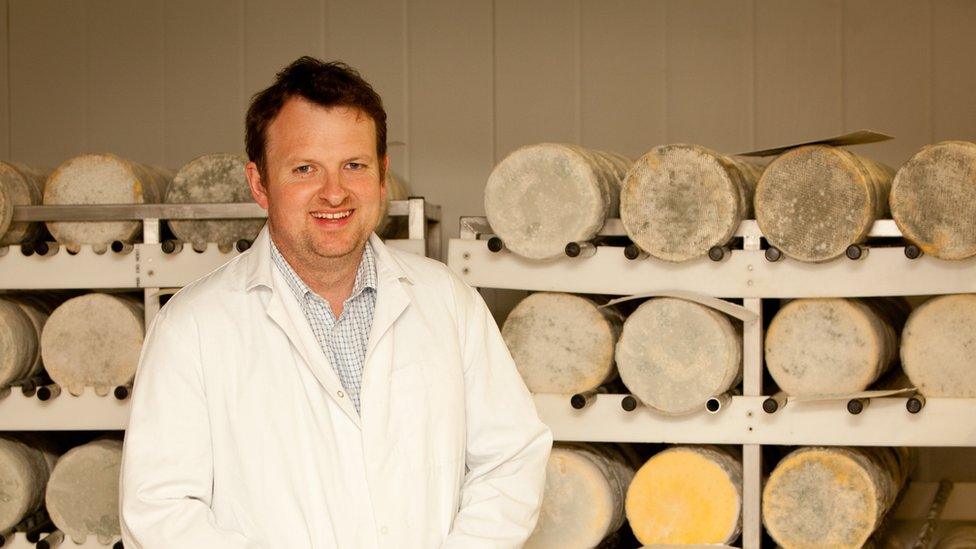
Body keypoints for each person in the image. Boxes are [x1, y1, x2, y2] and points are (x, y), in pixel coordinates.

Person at [120, 57, 552, 548]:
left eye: (354, 165)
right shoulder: (192, 327)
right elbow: (159, 512)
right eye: (304, 168)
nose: (334, 192)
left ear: (382, 175)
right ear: (259, 184)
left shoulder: (449, 304)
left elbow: (512, 458)